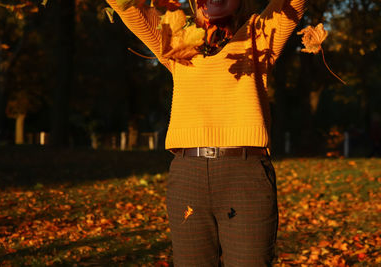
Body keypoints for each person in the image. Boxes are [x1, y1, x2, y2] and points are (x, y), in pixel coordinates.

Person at [108, 0, 305, 265]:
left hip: (245, 176)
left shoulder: (260, 34)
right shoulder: (175, 38)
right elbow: (126, 5)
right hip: (188, 175)